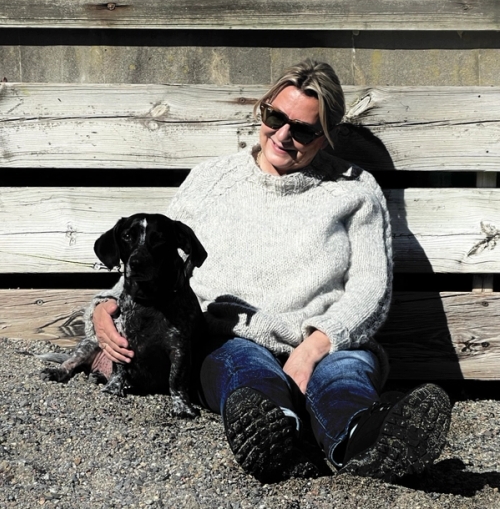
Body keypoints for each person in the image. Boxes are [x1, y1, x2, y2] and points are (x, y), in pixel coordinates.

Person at [90, 59, 451, 483]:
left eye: (303, 130)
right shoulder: (210, 180)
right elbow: (156, 257)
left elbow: (371, 290)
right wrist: (107, 302)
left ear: (326, 135)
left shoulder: (354, 190)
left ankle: (372, 442)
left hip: (327, 343)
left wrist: (313, 348)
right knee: (245, 375)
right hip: (229, 337)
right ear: (262, 110)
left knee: (344, 382)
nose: (282, 136)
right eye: (275, 117)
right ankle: (277, 437)